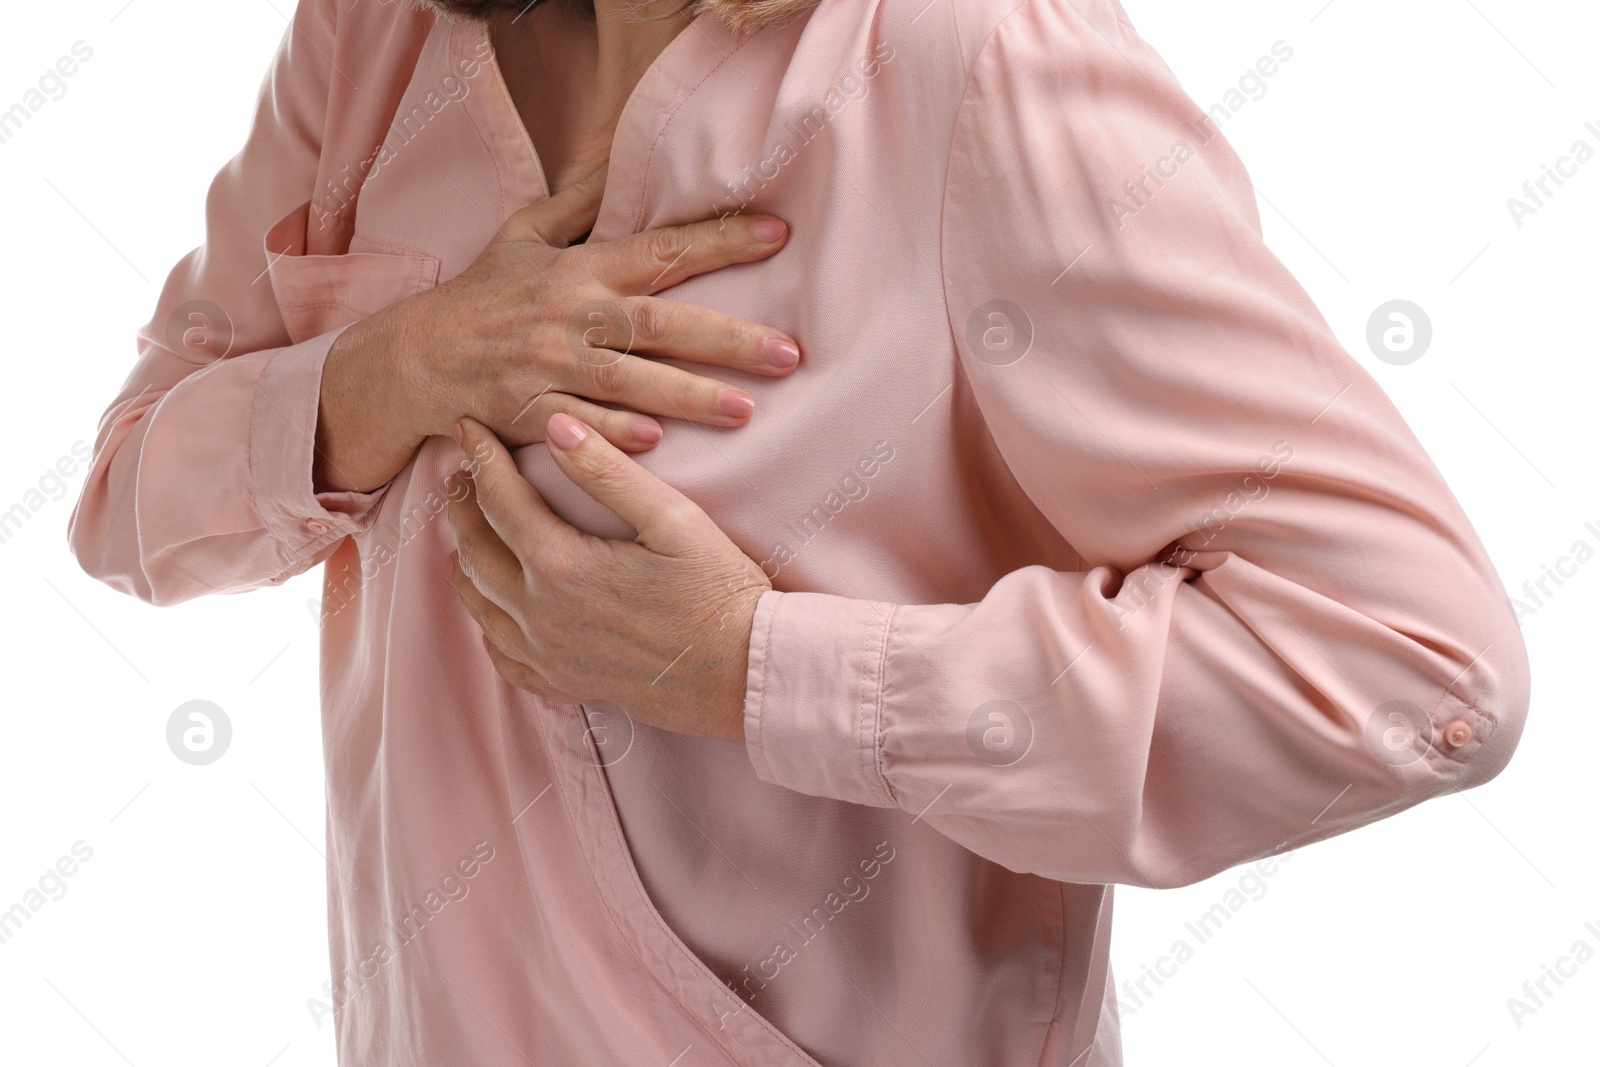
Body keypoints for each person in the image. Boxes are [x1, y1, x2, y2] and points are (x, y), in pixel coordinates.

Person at [67, 0, 1531, 1062]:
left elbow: (1420, 670)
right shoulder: (367, 42)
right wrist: (395, 369)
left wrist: (759, 669)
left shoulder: (982, 60)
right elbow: (126, 500)